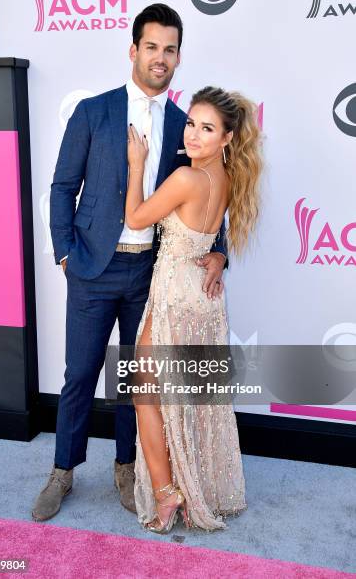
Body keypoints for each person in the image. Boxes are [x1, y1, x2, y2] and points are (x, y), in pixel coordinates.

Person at [32, 4, 229, 522]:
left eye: (169, 49)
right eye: (151, 47)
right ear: (133, 50)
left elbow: (208, 185)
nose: (159, 58)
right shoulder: (93, 112)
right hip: (92, 267)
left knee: (133, 379)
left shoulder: (188, 126)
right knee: (80, 374)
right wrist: (65, 251)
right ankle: (63, 470)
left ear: (178, 57)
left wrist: (219, 250)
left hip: (150, 273)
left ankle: (126, 467)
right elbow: (61, 187)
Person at [125, 85, 263, 532]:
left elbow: (136, 218)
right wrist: (219, 255)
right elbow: (210, 233)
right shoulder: (226, 178)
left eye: (207, 129)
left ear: (226, 138)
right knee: (194, 400)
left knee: (145, 394)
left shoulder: (186, 178)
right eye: (191, 124)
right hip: (203, 301)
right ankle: (198, 485)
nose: (193, 135)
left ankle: (167, 496)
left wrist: (137, 165)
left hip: (174, 298)